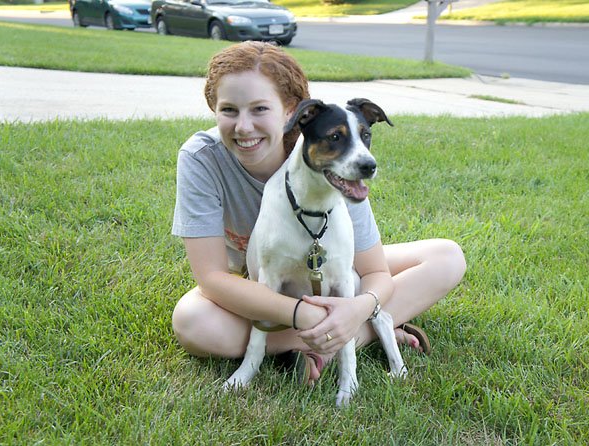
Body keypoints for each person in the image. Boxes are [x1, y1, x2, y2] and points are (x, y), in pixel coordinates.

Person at [171, 41, 466, 384]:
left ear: (292, 112)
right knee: (193, 322)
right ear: (214, 109)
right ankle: (348, 337)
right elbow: (212, 279)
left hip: (329, 269)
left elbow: (373, 272)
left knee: (447, 257)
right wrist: (306, 315)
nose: (244, 127)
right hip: (260, 285)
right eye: (229, 110)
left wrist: (356, 308)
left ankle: (339, 337)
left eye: (260, 109)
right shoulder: (202, 158)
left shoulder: (330, 158)